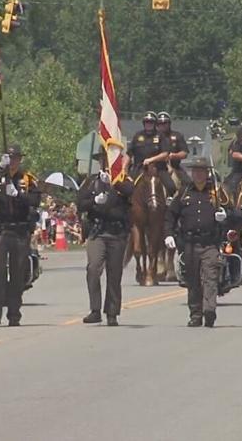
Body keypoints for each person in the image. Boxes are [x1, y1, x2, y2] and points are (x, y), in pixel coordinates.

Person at [165, 157, 239, 328]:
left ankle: (209, 310)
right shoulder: (184, 193)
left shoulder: (217, 193)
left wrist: (225, 217)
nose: (198, 174)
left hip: (210, 243)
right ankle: (195, 314)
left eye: (202, 171)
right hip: (189, 243)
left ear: (207, 173)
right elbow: (170, 216)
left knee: (210, 277)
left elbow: (236, 216)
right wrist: (168, 234)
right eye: (195, 171)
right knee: (193, 281)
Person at [0, 144, 41, 326]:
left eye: (16, 158)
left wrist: (18, 195)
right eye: (10, 158)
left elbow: (35, 200)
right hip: (1, 229)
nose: (13, 161)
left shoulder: (27, 179)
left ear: (20, 160)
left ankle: (14, 314)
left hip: (20, 231)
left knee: (17, 274)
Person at [78, 151, 134, 326]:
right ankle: (95, 310)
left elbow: (130, 191)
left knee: (114, 273)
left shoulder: (123, 180)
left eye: (109, 160)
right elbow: (80, 204)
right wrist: (94, 200)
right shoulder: (90, 181)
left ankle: (112, 312)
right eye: (103, 160)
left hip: (117, 233)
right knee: (93, 268)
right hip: (97, 232)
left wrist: (114, 183)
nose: (106, 163)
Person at [128, 111, 175, 196]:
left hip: (159, 168)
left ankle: (169, 203)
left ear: (154, 123)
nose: (148, 124)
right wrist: (124, 168)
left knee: (171, 187)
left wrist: (151, 160)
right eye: (146, 122)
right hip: (139, 168)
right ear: (144, 123)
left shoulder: (161, 136)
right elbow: (129, 153)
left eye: (151, 122)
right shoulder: (137, 135)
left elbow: (165, 153)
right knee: (127, 188)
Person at [157, 111, 190, 189]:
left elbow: (184, 153)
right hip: (157, 168)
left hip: (175, 166)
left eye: (165, 123)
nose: (163, 125)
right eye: (160, 123)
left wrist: (175, 156)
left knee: (189, 183)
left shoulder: (177, 135)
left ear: (169, 124)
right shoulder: (153, 137)